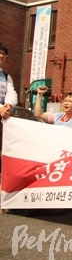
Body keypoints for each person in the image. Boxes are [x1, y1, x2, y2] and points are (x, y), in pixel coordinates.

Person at [0, 42, 18, 177]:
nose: (1, 56)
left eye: (3, 54)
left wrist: (8, 105)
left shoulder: (6, 76)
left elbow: (11, 93)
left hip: (2, 116)